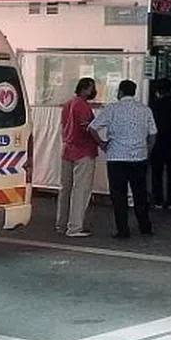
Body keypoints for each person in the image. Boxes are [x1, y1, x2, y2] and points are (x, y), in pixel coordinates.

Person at [89, 80, 156, 239]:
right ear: (134, 92)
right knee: (140, 194)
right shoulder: (145, 110)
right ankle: (145, 227)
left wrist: (102, 144)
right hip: (139, 157)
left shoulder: (112, 109)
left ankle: (123, 230)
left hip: (117, 157)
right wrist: (147, 150)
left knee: (119, 195)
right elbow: (153, 134)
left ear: (120, 92)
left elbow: (92, 128)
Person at [56, 77, 98, 238]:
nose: (94, 91)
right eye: (92, 88)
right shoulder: (83, 105)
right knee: (80, 190)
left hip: (67, 149)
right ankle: (74, 227)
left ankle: (61, 224)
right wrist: (101, 142)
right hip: (83, 151)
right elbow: (87, 128)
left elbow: (64, 127)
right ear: (85, 88)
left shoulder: (68, 104)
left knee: (65, 189)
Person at [149, 78, 171, 210]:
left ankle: (158, 200)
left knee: (156, 173)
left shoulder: (153, 105)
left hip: (157, 142)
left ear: (157, 91)